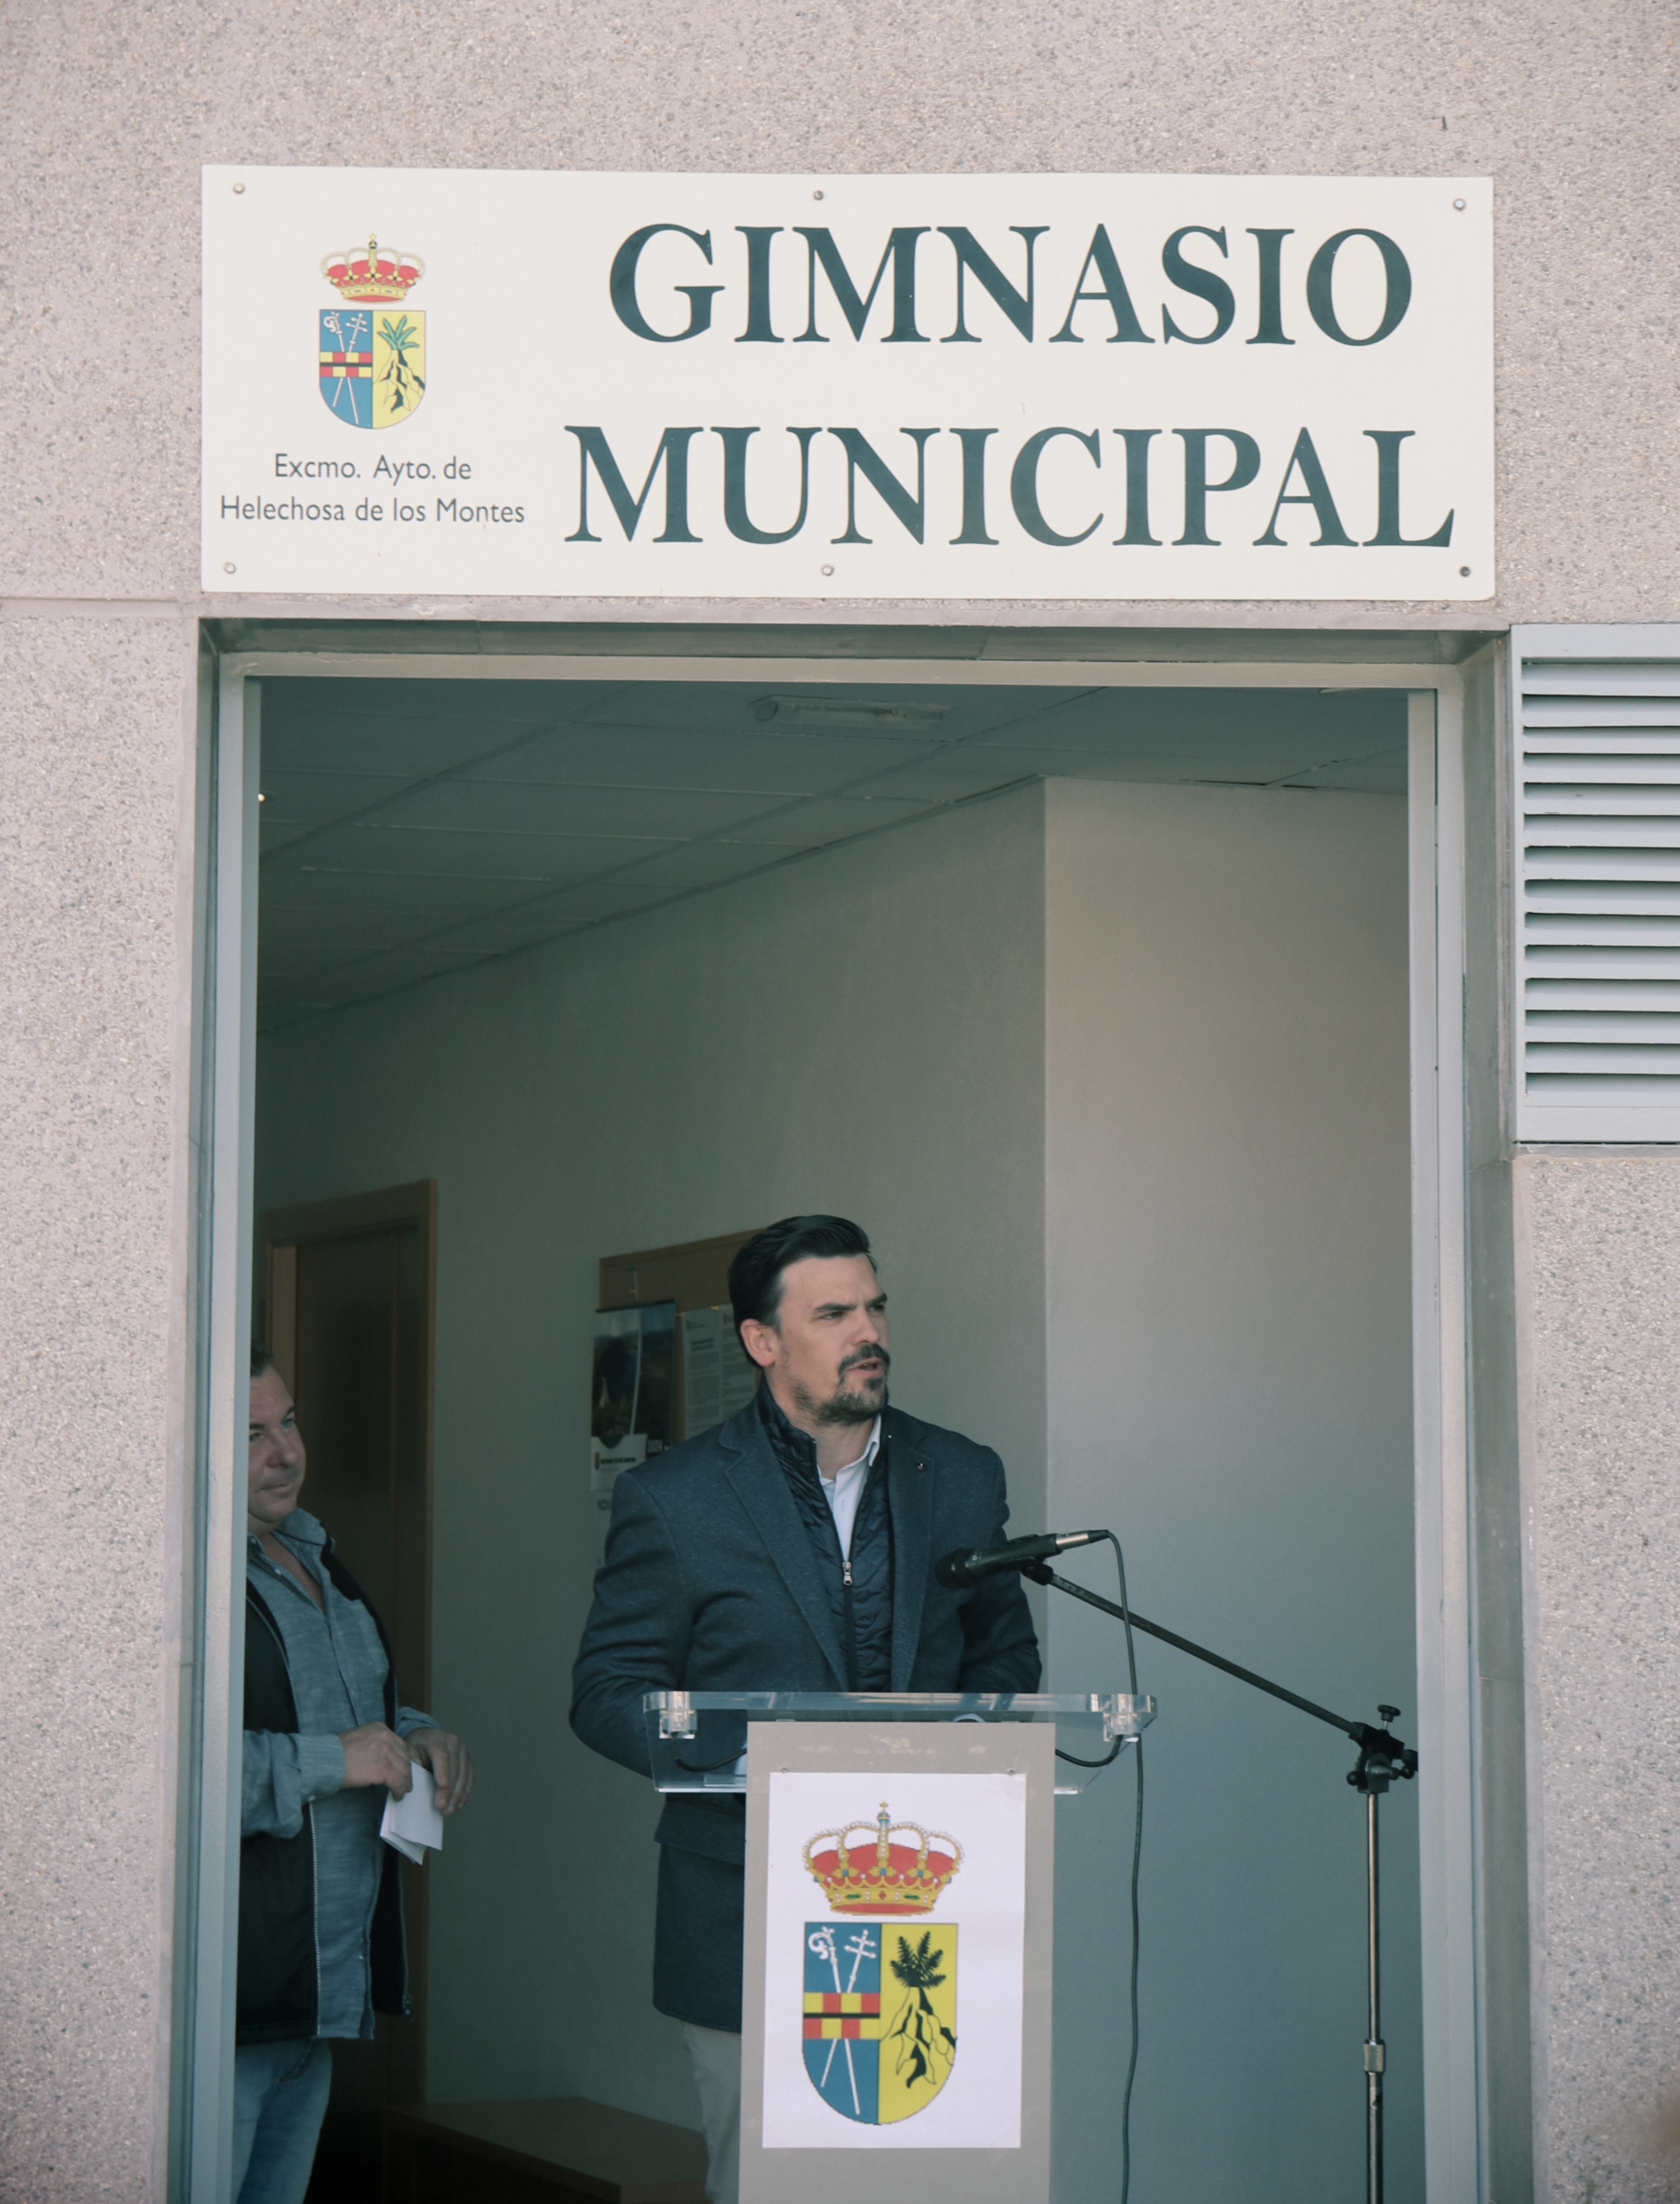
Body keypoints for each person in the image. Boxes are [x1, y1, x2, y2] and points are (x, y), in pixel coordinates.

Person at [571, 1215, 1040, 2204]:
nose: (867, 1330)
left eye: (874, 1306)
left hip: (934, 1917)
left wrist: (971, 1751)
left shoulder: (959, 1476)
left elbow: (1003, 1659)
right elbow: (607, 1692)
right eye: (833, 1313)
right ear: (762, 1341)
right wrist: (757, 1763)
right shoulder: (676, 1497)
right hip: (746, 1911)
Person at [237, 1347, 473, 2204]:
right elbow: (167, 1779)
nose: (286, 1452)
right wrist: (336, 1760)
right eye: (253, 1433)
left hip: (323, 1996)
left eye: (289, 1422)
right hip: (234, 2005)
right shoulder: (190, 1582)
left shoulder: (320, 1558)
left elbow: (362, 1708)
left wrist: (418, 1736)